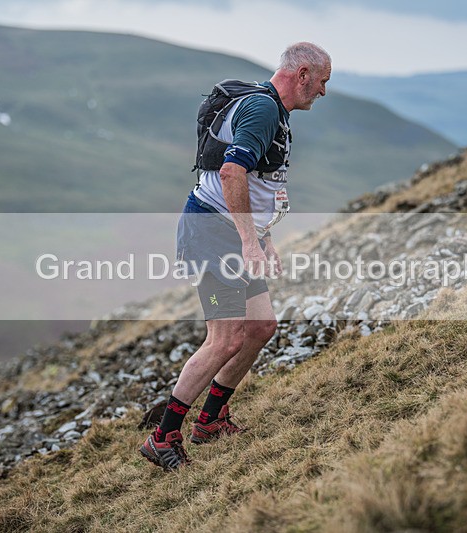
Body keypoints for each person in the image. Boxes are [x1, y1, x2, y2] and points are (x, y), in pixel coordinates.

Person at [140, 42, 331, 471]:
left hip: (235, 234)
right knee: (224, 338)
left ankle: (210, 420)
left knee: (261, 327)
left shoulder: (274, 112)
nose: (323, 92)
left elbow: (262, 182)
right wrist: (248, 240)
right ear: (302, 74)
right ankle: (162, 437)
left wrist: (262, 237)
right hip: (212, 233)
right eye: (322, 81)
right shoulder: (263, 110)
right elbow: (231, 172)